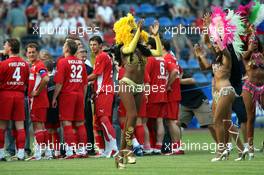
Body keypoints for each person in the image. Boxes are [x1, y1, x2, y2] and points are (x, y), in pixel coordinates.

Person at [112, 13, 162, 169]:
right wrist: (138, 31)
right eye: (133, 32)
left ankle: (122, 153)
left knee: (131, 119)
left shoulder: (141, 49)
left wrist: (156, 36)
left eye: (137, 32)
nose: (138, 34)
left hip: (139, 86)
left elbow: (158, 52)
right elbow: (131, 47)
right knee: (132, 115)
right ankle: (128, 150)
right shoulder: (123, 48)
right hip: (126, 83)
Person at [52, 39, 88, 159]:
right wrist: (83, 98)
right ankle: (82, 150)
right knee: (80, 123)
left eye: (64, 45)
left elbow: (59, 83)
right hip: (79, 94)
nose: (62, 47)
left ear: (67, 49)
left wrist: (54, 97)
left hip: (67, 95)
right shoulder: (81, 63)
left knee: (66, 123)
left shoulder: (62, 62)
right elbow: (85, 84)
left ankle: (69, 152)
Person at [143, 37, 178, 154]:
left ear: (149, 47)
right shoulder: (162, 59)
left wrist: (146, 93)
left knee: (143, 121)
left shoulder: (150, 59)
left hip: (152, 93)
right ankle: (158, 147)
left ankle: (147, 148)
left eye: (145, 45)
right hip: (162, 94)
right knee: (159, 121)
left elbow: (146, 78)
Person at [87, 36, 118, 158]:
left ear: (100, 45)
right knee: (103, 121)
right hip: (104, 91)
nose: (92, 47)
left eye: (95, 44)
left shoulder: (101, 56)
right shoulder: (104, 57)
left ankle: (114, 148)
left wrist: (81, 80)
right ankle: (109, 148)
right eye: (91, 45)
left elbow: (95, 75)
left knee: (104, 119)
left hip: (104, 91)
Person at [0, 38, 30, 161]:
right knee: (20, 125)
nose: (4, 47)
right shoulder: (25, 64)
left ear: (10, 47)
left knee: (2, 125)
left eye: (5, 45)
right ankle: (21, 153)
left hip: (5, 95)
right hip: (19, 95)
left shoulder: (4, 64)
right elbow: (27, 82)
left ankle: (1, 152)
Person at [242, 26, 264, 160]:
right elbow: (244, 56)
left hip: (263, 86)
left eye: (255, 41)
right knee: (251, 117)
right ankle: (250, 148)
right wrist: (249, 48)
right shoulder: (245, 55)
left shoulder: (262, 54)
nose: (253, 43)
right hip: (249, 87)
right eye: (251, 41)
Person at [26, 43, 50, 160]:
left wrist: (37, 92)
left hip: (37, 101)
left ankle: (38, 154)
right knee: (42, 127)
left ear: (37, 53)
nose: (31, 54)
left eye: (33, 52)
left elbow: (46, 78)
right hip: (41, 101)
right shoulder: (34, 66)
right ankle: (48, 153)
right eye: (29, 52)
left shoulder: (39, 65)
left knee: (37, 127)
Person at [179, 70, 217, 143]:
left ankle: (221, 145)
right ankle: (177, 147)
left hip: (199, 101)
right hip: (185, 104)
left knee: (211, 125)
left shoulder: (180, 71)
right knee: (176, 124)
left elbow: (192, 80)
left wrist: (178, 81)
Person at [162, 40, 184, 155]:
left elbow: (175, 72)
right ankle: (177, 146)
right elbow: (181, 72)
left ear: (162, 46)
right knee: (172, 121)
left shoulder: (167, 58)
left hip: (171, 94)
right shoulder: (172, 57)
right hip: (175, 93)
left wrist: (168, 85)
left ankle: (177, 148)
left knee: (171, 121)